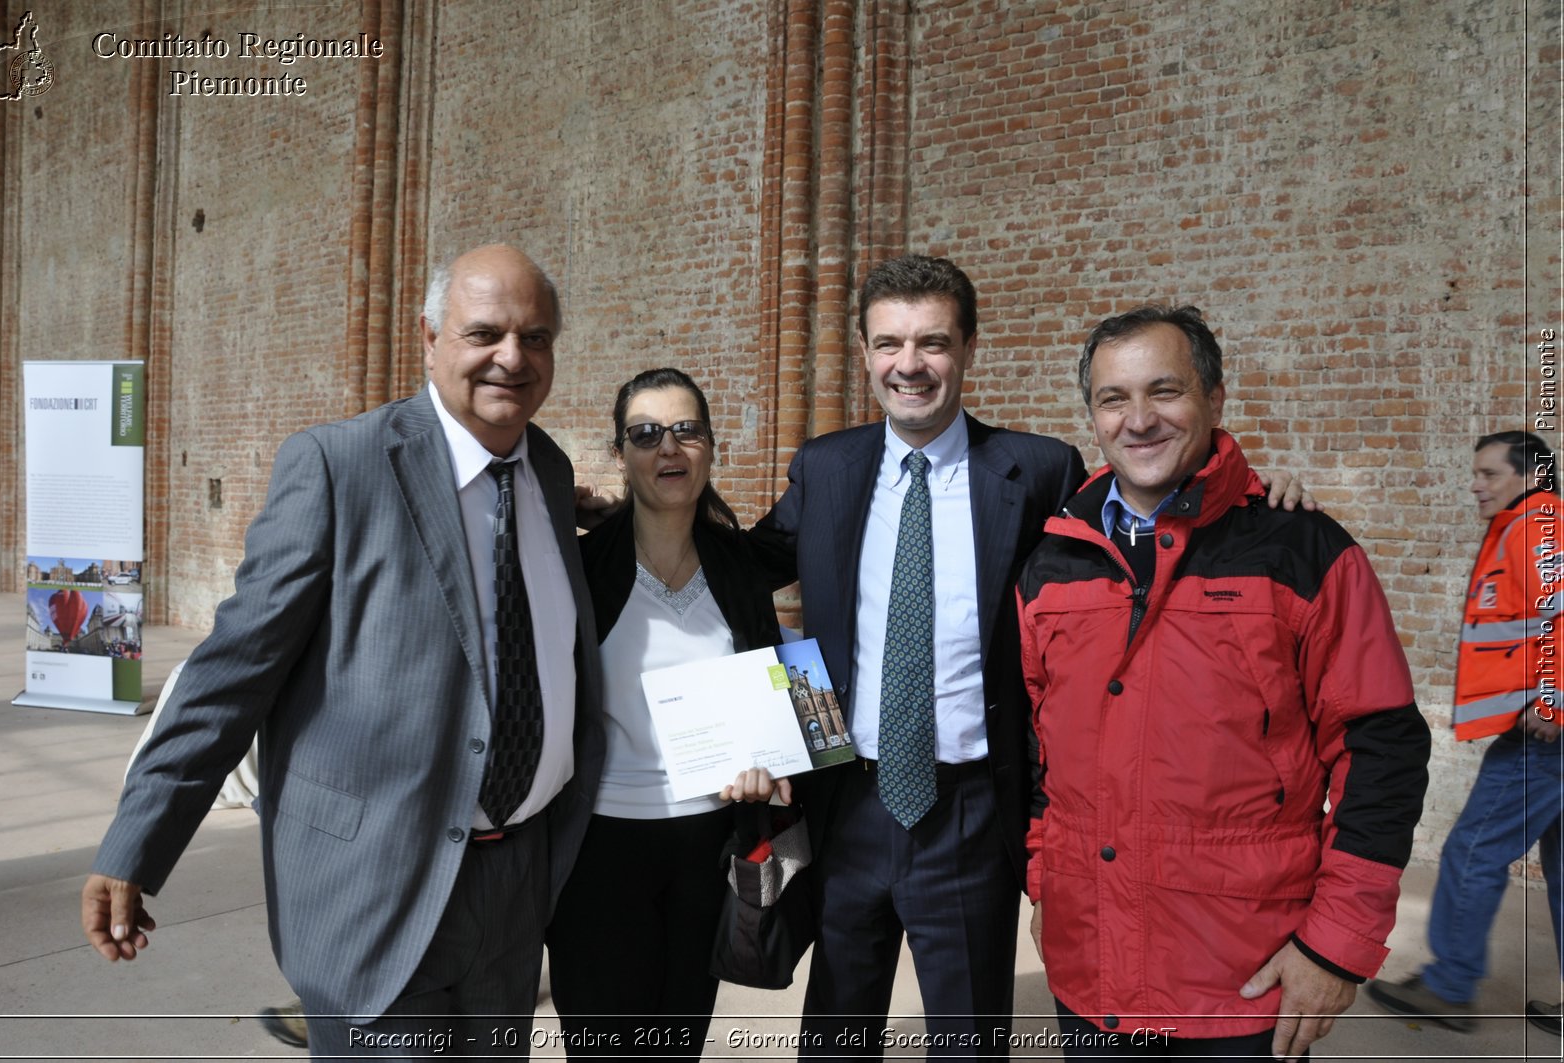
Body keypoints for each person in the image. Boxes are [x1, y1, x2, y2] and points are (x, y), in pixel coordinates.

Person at [746, 256, 1314, 1057]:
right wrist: (634, 512)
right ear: (866, 351)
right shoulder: (827, 465)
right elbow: (745, 569)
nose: (909, 364)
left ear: (969, 349)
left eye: (932, 341)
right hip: (850, 800)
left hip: (973, 810)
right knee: (834, 1031)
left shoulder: (1036, 467)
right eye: (889, 343)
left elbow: (1134, 526)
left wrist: (1255, 501)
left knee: (969, 1037)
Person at [80, 244, 605, 1059]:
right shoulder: (341, 465)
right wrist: (136, 845)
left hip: (516, 883)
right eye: (486, 333)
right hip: (376, 886)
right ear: (429, 338)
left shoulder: (547, 467)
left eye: (536, 338)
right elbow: (231, 674)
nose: (513, 357)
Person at [1016, 304, 1432, 1061]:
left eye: (1164, 391)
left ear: (1215, 399)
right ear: (1093, 416)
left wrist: (1337, 947)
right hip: (1093, 972)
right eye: (1114, 398)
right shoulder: (1052, 565)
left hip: (1241, 984)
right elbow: (1043, 758)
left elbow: (1383, 751)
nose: (1138, 418)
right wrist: (1047, 884)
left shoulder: (1301, 550)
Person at [546, 367, 785, 1058]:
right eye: (646, 434)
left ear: (710, 446)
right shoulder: (584, 569)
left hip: (708, 847)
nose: (668, 448)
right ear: (621, 454)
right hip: (601, 850)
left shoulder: (740, 568)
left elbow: (768, 688)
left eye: (686, 430)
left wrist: (771, 763)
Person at [1367, 431, 1562, 1035]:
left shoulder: (1539, 526)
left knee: (1472, 851)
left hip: (1544, 737)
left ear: (1529, 476)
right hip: (1542, 729)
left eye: (1489, 473)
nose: (1475, 485)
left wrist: (1553, 703)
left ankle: (1450, 988)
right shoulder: (1527, 525)